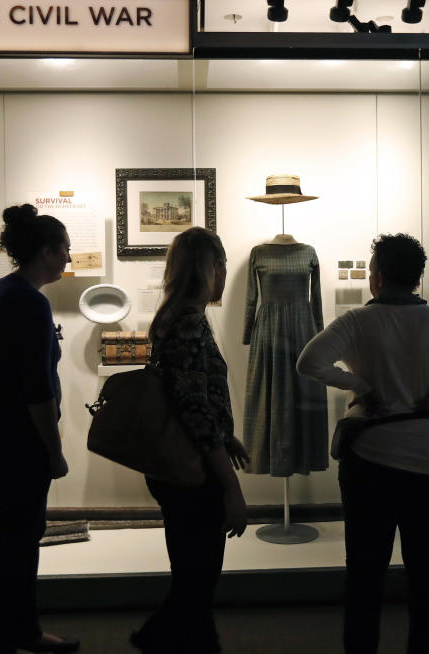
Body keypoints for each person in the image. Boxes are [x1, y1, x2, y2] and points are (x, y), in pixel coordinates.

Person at [296, 233, 429, 654]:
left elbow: (310, 362)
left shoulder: (358, 321)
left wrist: (361, 384)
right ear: (417, 278)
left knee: (365, 571)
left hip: (373, 454)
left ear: (376, 278)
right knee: (428, 570)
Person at [130, 227, 250, 654]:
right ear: (211, 267)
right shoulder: (189, 322)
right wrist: (231, 487)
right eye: (221, 265)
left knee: (190, 575)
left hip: (177, 463)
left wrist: (227, 435)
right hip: (191, 469)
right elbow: (194, 409)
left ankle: (167, 639)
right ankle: (166, 640)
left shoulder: (174, 316)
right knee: (198, 578)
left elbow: (189, 399)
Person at [0, 203, 78, 654]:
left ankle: (18, 632)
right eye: (65, 249)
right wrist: (54, 452)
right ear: (47, 251)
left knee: (17, 539)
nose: (69, 258)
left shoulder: (2, 290)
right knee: (18, 543)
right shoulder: (30, 302)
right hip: (19, 440)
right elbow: (36, 392)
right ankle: (7, 638)